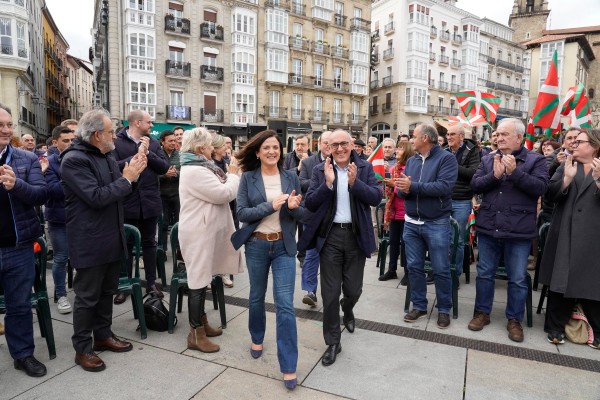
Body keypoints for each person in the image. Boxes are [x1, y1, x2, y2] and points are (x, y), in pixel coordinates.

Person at [60, 109, 147, 372]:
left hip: (111, 236)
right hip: (88, 241)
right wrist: (128, 177)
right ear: (97, 135)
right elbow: (97, 196)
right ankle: (83, 349)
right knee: (87, 298)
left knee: (106, 292)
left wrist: (131, 168)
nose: (115, 135)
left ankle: (103, 335)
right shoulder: (73, 160)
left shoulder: (105, 154)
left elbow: (116, 186)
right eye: (111, 131)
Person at [299, 129, 383, 367]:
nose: (339, 149)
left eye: (343, 144)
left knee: (353, 290)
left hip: (355, 236)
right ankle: (333, 341)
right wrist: (327, 184)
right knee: (330, 292)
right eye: (334, 145)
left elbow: (376, 198)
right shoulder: (319, 170)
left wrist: (355, 184)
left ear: (352, 145)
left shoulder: (364, 168)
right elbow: (312, 203)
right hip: (330, 236)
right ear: (328, 147)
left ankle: (348, 308)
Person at [232, 130, 304, 390]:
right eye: (267, 148)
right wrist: (271, 206)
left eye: (276, 147)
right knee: (256, 296)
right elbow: (241, 212)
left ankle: (289, 366)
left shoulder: (291, 175)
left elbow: (301, 213)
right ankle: (257, 336)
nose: (272, 151)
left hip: (283, 246)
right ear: (258, 152)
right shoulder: (248, 178)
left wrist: (295, 207)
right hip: (256, 244)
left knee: (285, 304)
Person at [469, 118, 548, 342]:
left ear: (519, 137)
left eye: (504, 134)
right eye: (497, 134)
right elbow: (475, 185)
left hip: (518, 231)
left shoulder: (536, 160)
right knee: (484, 274)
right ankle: (482, 313)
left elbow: (541, 188)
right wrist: (494, 176)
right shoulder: (487, 159)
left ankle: (514, 320)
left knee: (517, 278)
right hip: (489, 227)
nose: (499, 137)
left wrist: (515, 173)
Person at [178, 128, 243, 353]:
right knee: (197, 282)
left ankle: (202, 324)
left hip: (203, 231)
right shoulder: (194, 170)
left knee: (202, 278)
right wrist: (233, 174)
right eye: (209, 145)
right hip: (197, 233)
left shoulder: (200, 166)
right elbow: (223, 194)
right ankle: (195, 334)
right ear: (199, 149)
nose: (212, 148)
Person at [539, 130, 600, 348]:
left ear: (594, 146)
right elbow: (550, 195)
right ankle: (555, 327)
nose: (573, 143)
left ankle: (596, 330)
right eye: (572, 140)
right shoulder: (567, 165)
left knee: (592, 282)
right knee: (560, 278)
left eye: (579, 141)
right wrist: (566, 179)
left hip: (593, 236)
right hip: (565, 231)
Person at [0, 104, 48, 377]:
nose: (7, 130)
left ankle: (23, 355)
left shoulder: (25, 158)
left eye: (9, 125)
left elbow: (41, 195)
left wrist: (16, 185)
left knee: (19, 305)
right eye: (0, 126)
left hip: (18, 247)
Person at [396, 123, 458, 329]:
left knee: (440, 269)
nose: (410, 141)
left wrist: (412, 186)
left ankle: (443, 309)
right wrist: (402, 189)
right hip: (412, 222)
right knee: (413, 267)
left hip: (437, 222)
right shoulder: (412, 160)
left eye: (414, 137)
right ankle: (420, 306)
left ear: (425, 138)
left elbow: (444, 187)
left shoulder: (446, 158)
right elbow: (403, 189)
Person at [112, 110, 170, 304]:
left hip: (150, 201)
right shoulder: (117, 142)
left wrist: (148, 153)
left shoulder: (153, 143)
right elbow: (112, 167)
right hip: (127, 201)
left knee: (149, 243)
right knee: (126, 244)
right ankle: (125, 284)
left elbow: (164, 167)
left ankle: (152, 283)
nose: (152, 125)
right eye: (149, 122)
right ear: (137, 123)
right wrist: (136, 156)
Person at [44, 125, 76, 313]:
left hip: (78, 217)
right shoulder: (49, 163)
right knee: (61, 258)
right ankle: (61, 295)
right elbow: (53, 191)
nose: (70, 144)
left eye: (72, 140)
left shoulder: (79, 159)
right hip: (58, 218)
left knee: (80, 256)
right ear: (55, 143)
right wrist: (74, 180)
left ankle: (81, 290)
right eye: (66, 141)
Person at [298, 131, 332, 306]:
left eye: (330, 143)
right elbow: (301, 182)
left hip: (333, 218)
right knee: (311, 255)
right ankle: (310, 291)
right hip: (312, 215)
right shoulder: (309, 162)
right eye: (325, 142)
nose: (328, 146)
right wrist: (321, 181)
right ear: (319, 144)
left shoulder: (340, 161)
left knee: (330, 257)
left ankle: (331, 293)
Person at [445, 125, 480, 279]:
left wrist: (452, 165)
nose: (448, 137)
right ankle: (441, 271)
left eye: (452, 134)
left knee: (457, 239)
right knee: (441, 238)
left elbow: (472, 173)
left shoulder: (472, 151)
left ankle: (455, 273)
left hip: (462, 200)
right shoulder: (443, 150)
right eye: (447, 134)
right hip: (443, 199)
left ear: (461, 136)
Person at [379, 141, 415, 285]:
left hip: (406, 212)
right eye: (398, 148)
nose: (397, 151)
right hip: (394, 212)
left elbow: (406, 191)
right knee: (393, 242)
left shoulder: (409, 169)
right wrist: (387, 185)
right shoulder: (394, 168)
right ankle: (392, 269)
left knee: (406, 244)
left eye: (400, 149)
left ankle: (407, 272)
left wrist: (394, 186)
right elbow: (390, 193)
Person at [211, 133, 236, 288]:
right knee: (215, 240)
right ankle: (212, 272)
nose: (226, 147)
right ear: (215, 148)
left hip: (230, 203)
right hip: (217, 204)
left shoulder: (226, 160)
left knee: (226, 239)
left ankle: (224, 272)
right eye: (223, 145)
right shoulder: (210, 164)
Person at [158, 130, 180, 250]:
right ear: (162, 141)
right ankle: (163, 250)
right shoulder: (157, 155)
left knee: (179, 223)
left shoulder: (180, 155)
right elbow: (153, 175)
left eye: (174, 140)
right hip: (162, 195)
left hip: (177, 194)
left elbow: (186, 173)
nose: (173, 143)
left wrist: (176, 173)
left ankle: (179, 250)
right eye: (170, 140)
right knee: (163, 224)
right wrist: (164, 175)